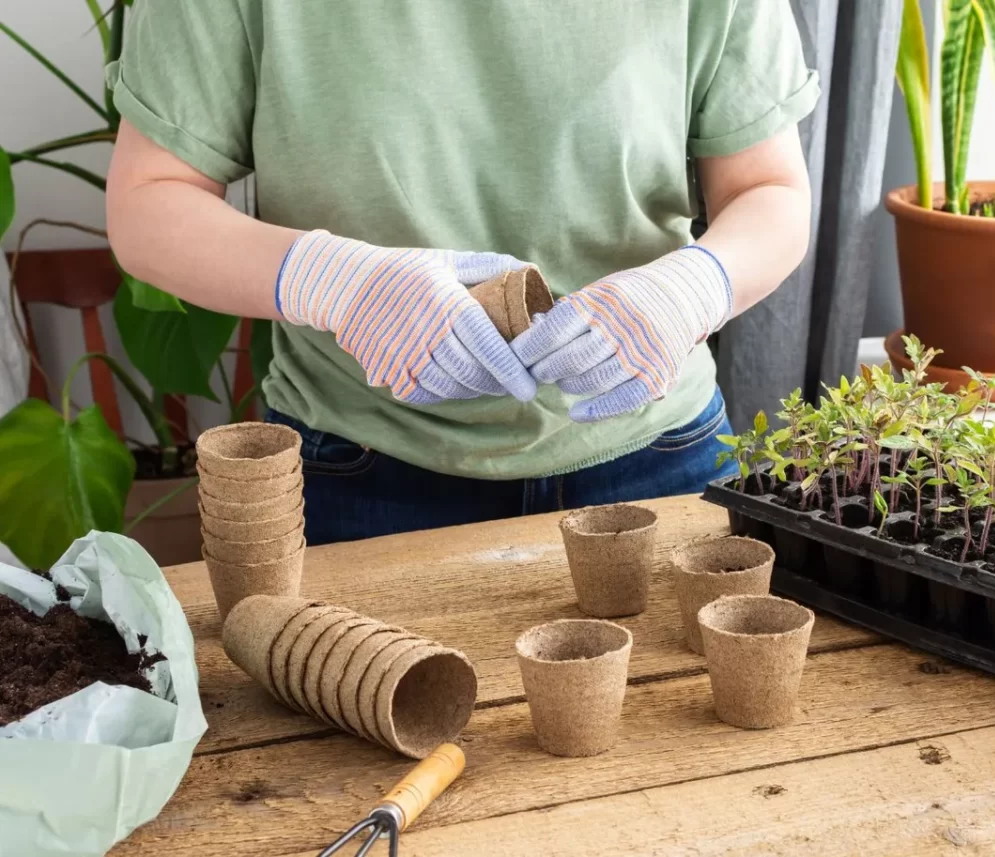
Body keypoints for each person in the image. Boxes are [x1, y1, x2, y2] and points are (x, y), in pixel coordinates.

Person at [106, 1, 818, 545]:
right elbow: (149, 201)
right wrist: (338, 281)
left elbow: (769, 189)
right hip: (363, 464)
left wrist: (691, 288)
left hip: (657, 458)